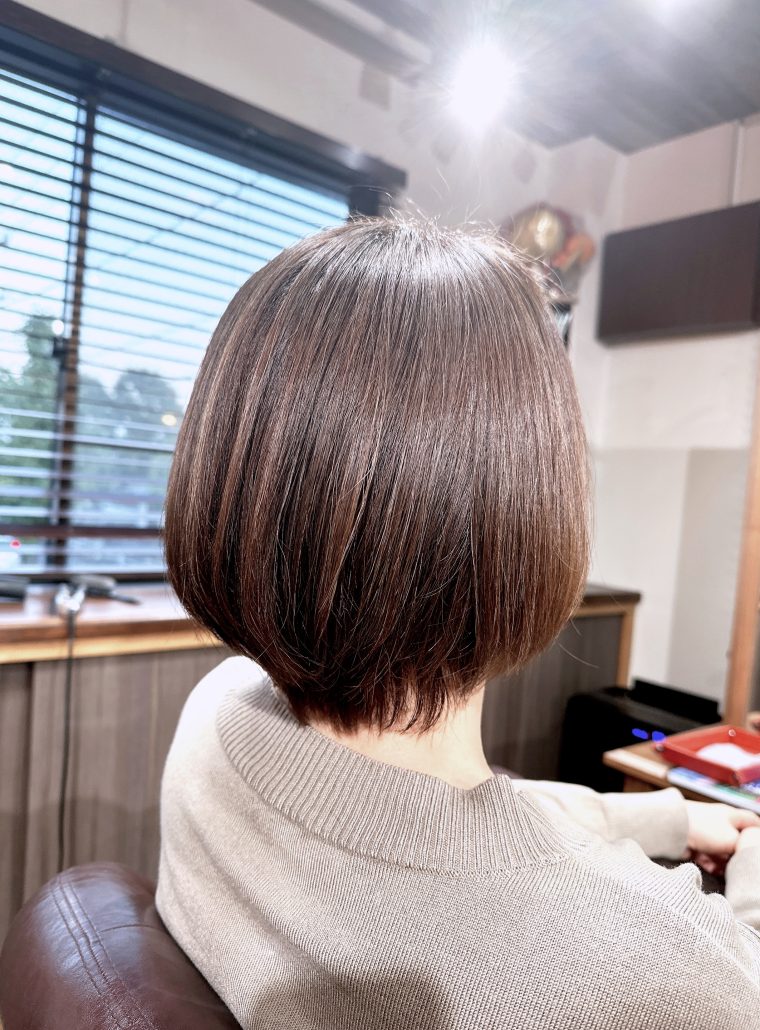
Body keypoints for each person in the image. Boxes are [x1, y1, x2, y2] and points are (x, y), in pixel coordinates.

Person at [157, 218, 760, 1029]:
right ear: (531, 508)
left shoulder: (217, 716)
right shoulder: (652, 975)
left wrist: (669, 818)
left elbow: (446, 821)